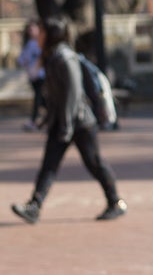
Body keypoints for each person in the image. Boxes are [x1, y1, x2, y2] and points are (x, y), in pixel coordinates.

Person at [10, 16, 128, 224]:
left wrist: (65, 125)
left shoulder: (66, 58)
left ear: (51, 35)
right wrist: (47, 119)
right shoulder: (52, 57)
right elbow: (55, 95)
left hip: (80, 123)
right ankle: (34, 206)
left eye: (42, 31)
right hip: (61, 123)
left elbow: (73, 96)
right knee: (49, 165)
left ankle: (115, 202)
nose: (37, 35)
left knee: (94, 163)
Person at [17, 19, 46, 131]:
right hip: (32, 75)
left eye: (33, 29)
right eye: (29, 29)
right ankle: (54, 117)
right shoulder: (29, 44)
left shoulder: (41, 43)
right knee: (42, 100)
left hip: (41, 75)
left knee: (38, 98)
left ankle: (33, 121)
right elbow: (22, 59)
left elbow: (42, 58)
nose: (31, 31)